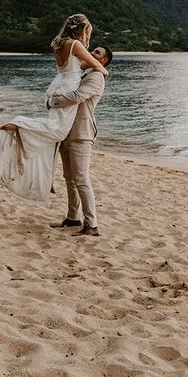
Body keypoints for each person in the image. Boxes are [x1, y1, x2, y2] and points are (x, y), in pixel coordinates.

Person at [0, 14, 108, 201]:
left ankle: (47, 179)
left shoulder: (59, 44)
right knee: (57, 131)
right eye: (87, 31)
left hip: (57, 85)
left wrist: (93, 67)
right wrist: (104, 71)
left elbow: (79, 65)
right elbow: (94, 63)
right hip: (68, 88)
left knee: (53, 128)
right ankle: (21, 124)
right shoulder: (75, 45)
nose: (87, 36)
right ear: (81, 29)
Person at [50, 45, 113, 236]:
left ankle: (92, 224)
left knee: (81, 178)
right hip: (67, 131)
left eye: (96, 53)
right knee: (69, 178)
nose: (91, 53)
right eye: (92, 50)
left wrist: (53, 100)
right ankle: (72, 218)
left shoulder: (97, 77)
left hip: (82, 133)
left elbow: (77, 97)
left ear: (102, 61)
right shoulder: (82, 74)